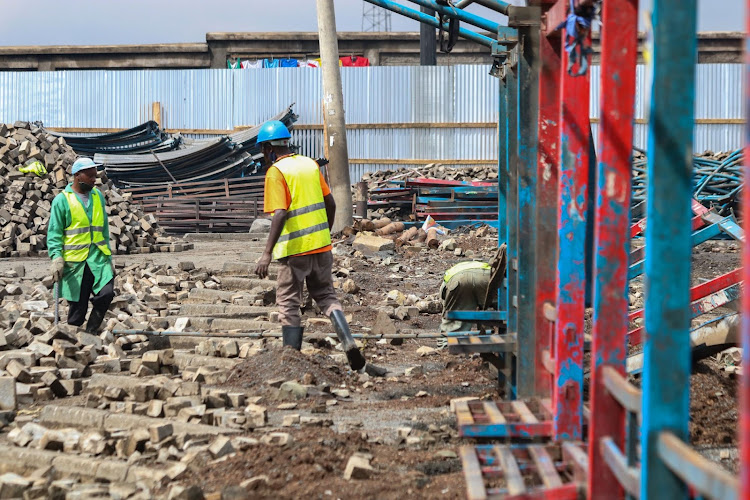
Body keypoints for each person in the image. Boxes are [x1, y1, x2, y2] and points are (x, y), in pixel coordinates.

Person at [253, 120, 366, 371]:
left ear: (269, 149)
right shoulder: (310, 165)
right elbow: (332, 204)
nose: (263, 155)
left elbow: (280, 213)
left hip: (294, 253)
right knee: (326, 296)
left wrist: (266, 253)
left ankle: (291, 360)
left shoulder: (276, 172)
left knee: (288, 302)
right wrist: (323, 233)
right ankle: (348, 342)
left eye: (263, 150)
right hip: (322, 248)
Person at [47, 157, 115, 333]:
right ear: (77, 176)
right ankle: (72, 343)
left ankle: (91, 330)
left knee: (106, 294)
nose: (94, 180)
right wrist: (56, 257)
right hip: (75, 264)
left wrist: (109, 257)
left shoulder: (97, 196)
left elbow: (104, 229)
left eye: (95, 176)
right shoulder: (62, 200)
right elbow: (54, 233)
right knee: (78, 308)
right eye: (90, 176)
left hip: (98, 258)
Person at [440, 244, 506, 333]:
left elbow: (447, 310)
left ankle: (446, 344)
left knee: (454, 322)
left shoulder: (447, 286)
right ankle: (486, 338)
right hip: (483, 277)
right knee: (489, 308)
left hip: (460, 280)